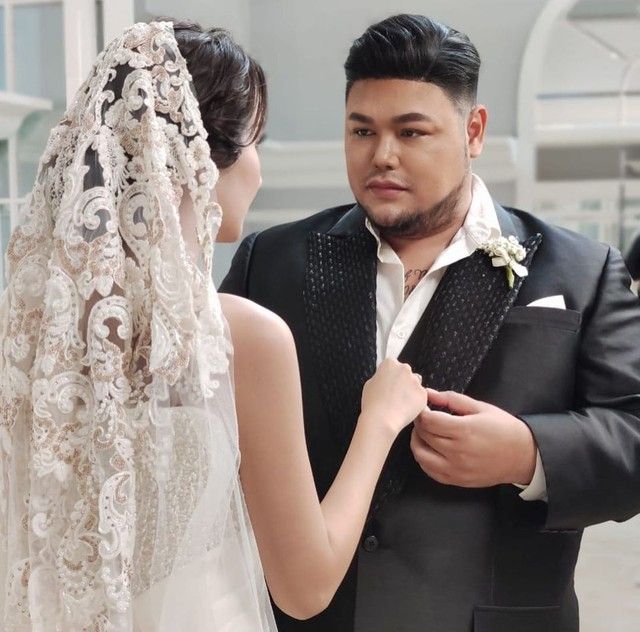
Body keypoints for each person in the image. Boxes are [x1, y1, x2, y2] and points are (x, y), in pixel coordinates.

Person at [0, 20, 429, 631]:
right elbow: (305, 587)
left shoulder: (31, 331)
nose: (257, 168)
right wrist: (380, 420)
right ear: (196, 162)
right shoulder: (237, 336)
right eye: (254, 143)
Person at [221, 13, 640, 632]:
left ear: (474, 131)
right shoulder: (270, 263)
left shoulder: (582, 269)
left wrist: (529, 454)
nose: (381, 156)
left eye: (411, 132)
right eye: (361, 130)